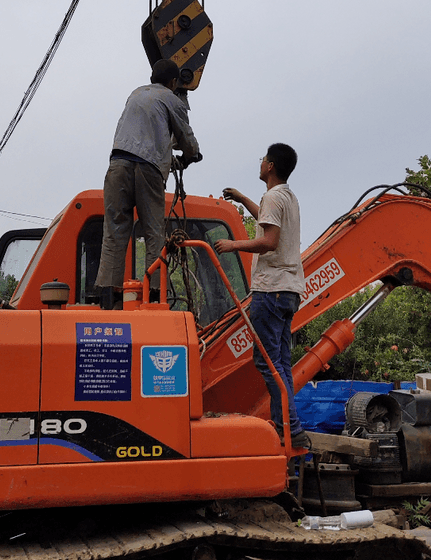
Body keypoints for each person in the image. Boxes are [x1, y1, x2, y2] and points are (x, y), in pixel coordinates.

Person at [216, 144, 309, 447]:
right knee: (281, 363)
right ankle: (289, 425)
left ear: (269, 166)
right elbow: (270, 224)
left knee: (268, 363)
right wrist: (243, 199)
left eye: (262, 160)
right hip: (290, 290)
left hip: (270, 290)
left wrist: (233, 245)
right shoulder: (288, 197)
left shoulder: (272, 197)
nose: (260, 164)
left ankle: (290, 428)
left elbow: (269, 241)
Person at [94, 59, 201, 308]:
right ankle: (154, 295)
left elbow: (149, 134)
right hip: (147, 170)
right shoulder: (172, 100)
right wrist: (192, 154)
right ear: (174, 82)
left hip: (118, 165)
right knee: (153, 233)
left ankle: (108, 295)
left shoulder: (136, 94)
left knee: (114, 232)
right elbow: (185, 137)